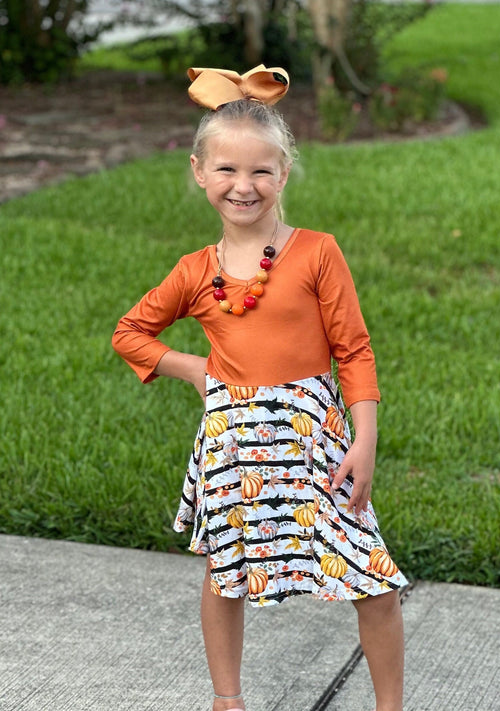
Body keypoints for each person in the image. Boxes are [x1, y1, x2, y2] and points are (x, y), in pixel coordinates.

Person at [112, 65, 408, 711]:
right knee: (225, 575)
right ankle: (227, 699)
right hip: (234, 443)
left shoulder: (316, 253)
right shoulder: (196, 270)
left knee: (370, 573)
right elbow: (131, 332)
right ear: (198, 170)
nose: (242, 186)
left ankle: (391, 705)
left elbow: (353, 350)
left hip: (314, 438)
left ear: (283, 172)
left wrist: (364, 439)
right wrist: (193, 368)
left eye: (260, 172)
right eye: (226, 170)